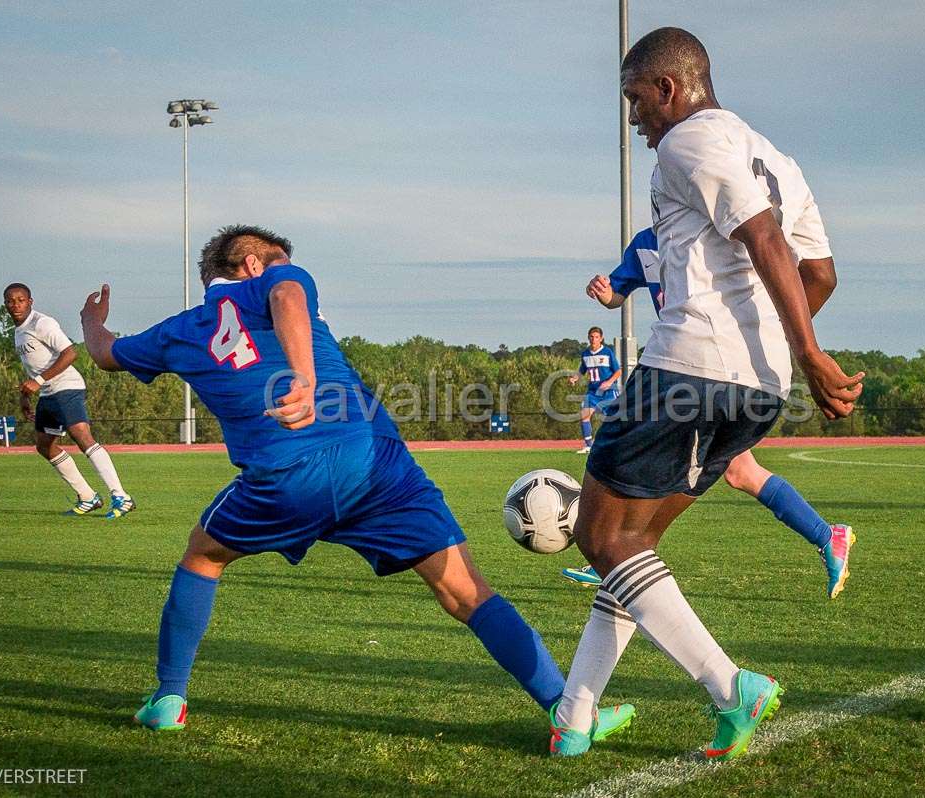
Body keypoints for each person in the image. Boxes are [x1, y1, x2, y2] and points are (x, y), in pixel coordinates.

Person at [80, 224, 633, 741]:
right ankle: (566, 714)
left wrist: (92, 323)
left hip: (282, 481)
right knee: (466, 593)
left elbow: (105, 354)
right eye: (278, 266)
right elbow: (289, 298)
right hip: (373, 466)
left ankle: (169, 699)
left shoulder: (178, 331)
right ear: (252, 264)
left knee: (203, 557)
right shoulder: (277, 279)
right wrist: (303, 375)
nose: (287, 273)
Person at [550, 28, 864, 759]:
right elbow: (820, 274)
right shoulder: (778, 160)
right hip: (757, 387)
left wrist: (812, 352)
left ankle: (733, 689)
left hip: (689, 367)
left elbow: (766, 243)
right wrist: (790, 354)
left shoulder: (687, 142)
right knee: (634, 545)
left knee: (601, 536)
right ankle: (575, 717)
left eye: (636, 100)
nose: (635, 120)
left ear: (669, 88)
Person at [561, 227, 854, 599]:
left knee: (677, 462)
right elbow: (618, 293)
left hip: (714, 370)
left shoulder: (713, 234)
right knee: (740, 471)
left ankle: (622, 555)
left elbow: (800, 276)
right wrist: (606, 295)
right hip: (687, 367)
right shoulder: (645, 243)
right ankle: (827, 535)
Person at [4, 282, 134, 518]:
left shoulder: (41, 323)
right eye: (11, 301)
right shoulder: (19, 331)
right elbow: (33, 367)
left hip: (66, 387)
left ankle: (121, 496)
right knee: (45, 445)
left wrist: (39, 380)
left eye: (21, 300)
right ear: (5, 305)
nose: (16, 305)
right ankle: (88, 497)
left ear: (30, 302)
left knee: (83, 437)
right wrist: (25, 397)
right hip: (47, 393)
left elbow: (70, 352)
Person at [568, 327, 621, 453]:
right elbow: (582, 370)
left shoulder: (607, 352)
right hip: (593, 392)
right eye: (592, 336)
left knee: (612, 418)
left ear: (601, 339)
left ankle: (617, 444)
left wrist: (609, 382)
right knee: (584, 415)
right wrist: (574, 378)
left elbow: (618, 371)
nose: (594, 339)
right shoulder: (585, 354)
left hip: (609, 391)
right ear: (588, 337)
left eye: (596, 337)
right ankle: (588, 445)